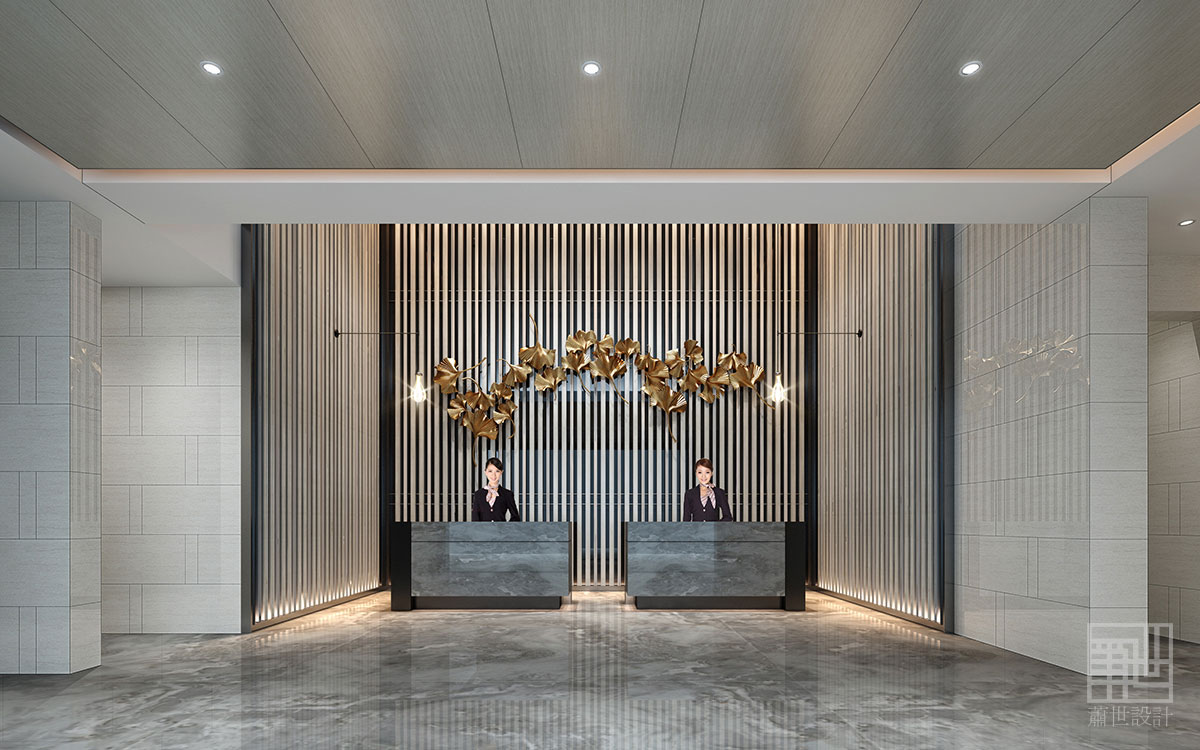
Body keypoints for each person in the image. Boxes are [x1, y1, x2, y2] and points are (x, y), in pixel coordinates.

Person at [682, 457, 733, 521]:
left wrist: (716, 525)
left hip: (715, 527)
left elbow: (728, 517)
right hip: (696, 528)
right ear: (696, 473)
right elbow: (686, 520)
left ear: (711, 473)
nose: (703, 476)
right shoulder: (690, 494)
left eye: (707, 472)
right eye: (700, 472)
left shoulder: (719, 493)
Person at [472, 457, 521, 521]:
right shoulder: (478, 494)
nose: (493, 475)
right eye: (490, 471)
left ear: (501, 472)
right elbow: (475, 519)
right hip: (483, 528)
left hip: (501, 528)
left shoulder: (507, 494)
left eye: (497, 471)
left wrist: (506, 527)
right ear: (485, 472)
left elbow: (515, 517)